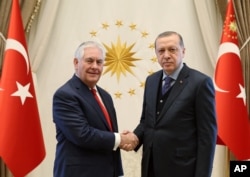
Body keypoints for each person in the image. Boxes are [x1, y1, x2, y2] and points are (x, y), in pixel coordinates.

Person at [132, 31, 217, 177]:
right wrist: (133, 138)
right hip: (150, 167)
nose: (166, 55)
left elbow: (207, 137)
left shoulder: (200, 83)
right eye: (161, 51)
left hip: (183, 170)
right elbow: (147, 121)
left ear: (183, 51)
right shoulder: (151, 81)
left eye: (172, 49)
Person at [52, 41, 138, 177]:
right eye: (89, 61)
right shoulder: (65, 95)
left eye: (99, 62)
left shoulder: (105, 96)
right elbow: (83, 135)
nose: (95, 67)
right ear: (76, 63)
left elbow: (109, 137)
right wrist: (120, 139)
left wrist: (118, 173)